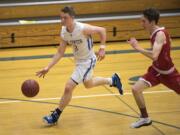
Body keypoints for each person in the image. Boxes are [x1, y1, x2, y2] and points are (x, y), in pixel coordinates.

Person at [36, 6, 123, 125]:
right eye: (60, 18)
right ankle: (112, 80)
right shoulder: (64, 31)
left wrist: (102, 48)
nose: (62, 20)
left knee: (68, 87)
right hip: (79, 62)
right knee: (88, 84)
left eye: (65, 18)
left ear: (72, 17)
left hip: (88, 61)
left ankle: (55, 115)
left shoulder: (83, 28)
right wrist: (48, 67)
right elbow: (60, 52)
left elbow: (102, 30)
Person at [127, 8, 180, 128]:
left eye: (143, 21)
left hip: (168, 73)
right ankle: (145, 118)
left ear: (152, 22)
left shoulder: (160, 34)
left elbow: (154, 56)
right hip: (156, 71)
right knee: (136, 89)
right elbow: (168, 40)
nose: (141, 24)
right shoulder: (157, 32)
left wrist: (137, 47)